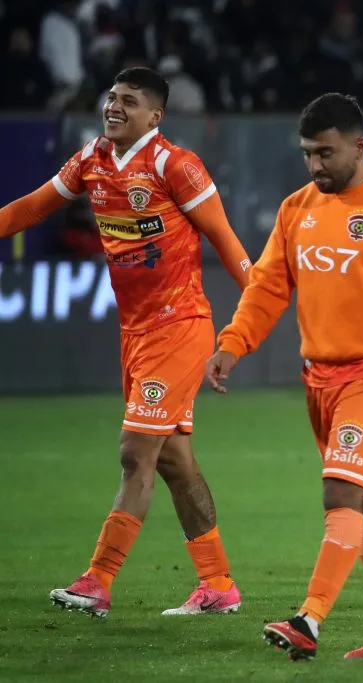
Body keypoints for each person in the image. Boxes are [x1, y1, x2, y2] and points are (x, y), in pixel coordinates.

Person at [206, 93, 363, 660]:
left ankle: (309, 619)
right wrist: (233, 344)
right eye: (307, 154)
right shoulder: (296, 209)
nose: (315, 165)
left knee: (340, 491)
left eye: (326, 153)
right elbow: (268, 286)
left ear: (359, 146)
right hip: (318, 379)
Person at [0, 66, 250, 618]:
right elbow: (34, 207)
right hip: (135, 333)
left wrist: (254, 315)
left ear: (155, 116)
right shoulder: (91, 160)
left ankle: (98, 580)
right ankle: (218, 585)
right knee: (174, 461)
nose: (114, 106)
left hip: (179, 326)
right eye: (112, 97)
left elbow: (226, 241)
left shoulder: (174, 165)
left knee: (135, 452)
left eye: (129, 101)